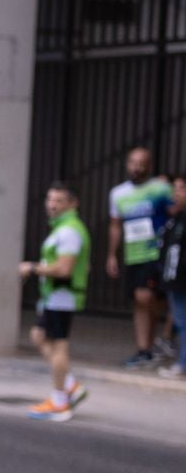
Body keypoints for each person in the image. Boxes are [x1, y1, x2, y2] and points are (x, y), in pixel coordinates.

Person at [20, 181, 91, 420]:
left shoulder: (70, 230)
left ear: (72, 203)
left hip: (62, 296)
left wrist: (33, 268)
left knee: (59, 345)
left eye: (59, 200)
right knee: (39, 335)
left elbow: (64, 269)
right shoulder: (62, 228)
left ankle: (60, 401)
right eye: (50, 199)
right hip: (54, 296)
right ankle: (70, 385)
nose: (52, 205)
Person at [106, 146, 173, 368]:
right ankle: (144, 349)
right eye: (133, 163)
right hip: (133, 253)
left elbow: (175, 212)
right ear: (127, 164)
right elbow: (115, 225)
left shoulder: (160, 189)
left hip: (156, 252)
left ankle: (167, 332)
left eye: (142, 163)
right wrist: (112, 254)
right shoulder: (118, 193)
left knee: (147, 297)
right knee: (138, 300)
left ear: (149, 165)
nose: (137, 167)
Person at [161, 175, 186, 380]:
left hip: (181, 279)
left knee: (183, 321)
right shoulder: (177, 217)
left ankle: (183, 364)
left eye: (181, 188)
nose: (176, 193)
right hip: (175, 278)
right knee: (180, 320)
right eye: (175, 188)